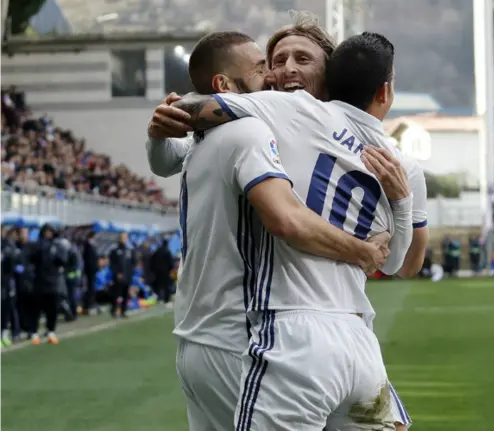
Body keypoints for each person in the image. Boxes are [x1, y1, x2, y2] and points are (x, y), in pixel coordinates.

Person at [150, 17, 427, 430]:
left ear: (332, 75)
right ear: (385, 91)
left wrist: (171, 116)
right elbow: (393, 261)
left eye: (302, 58)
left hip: (291, 334)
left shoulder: (273, 119)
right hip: (273, 335)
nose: (286, 70)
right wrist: (378, 235)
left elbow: (285, 217)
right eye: (274, 62)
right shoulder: (262, 127)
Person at [30, 224, 65, 345]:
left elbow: (62, 261)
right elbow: (31, 259)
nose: (49, 233)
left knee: (52, 309)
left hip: (52, 282)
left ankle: (50, 332)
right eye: (47, 231)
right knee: (36, 309)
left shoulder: (56, 245)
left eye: (50, 231)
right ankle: (34, 333)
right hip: (39, 282)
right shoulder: (37, 245)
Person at [108, 232, 136, 319]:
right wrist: (117, 273)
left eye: (125, 238)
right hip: (118, 277)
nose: (124, 239)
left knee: (125, 294)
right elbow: (112, 264)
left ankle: (124, 310)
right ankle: (114, 310)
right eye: (122, 238)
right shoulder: (115, 250)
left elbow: (133, 262)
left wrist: (131, 273)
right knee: (116, 294)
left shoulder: (129, 250)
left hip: (127, 276)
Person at [150, 239, 174, 304]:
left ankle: (160, 298)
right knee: (166, 286)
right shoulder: (167, 251)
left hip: (157, 272)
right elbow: (170, 262)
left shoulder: (156, 251)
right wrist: (171, 269)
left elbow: (152, 262)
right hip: (166, 272)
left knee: (159, 286)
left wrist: (153, 270)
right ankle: (166, 299)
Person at [82, 231, 99, 314]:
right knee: (90, 287)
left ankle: (90, 303)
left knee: (92, 287)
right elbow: (88, 258)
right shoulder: (87, 244)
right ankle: (87, 305)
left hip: (93, 269)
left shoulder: (93, 245)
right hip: (89, 270)